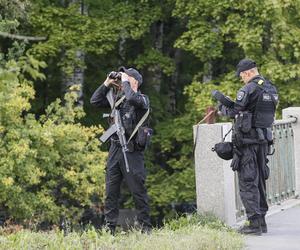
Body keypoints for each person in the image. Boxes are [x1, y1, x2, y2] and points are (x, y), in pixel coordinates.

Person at [218, 59, 278, 235]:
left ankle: (253, 224)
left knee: (248, 182)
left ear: (247, 73)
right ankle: (261, 222)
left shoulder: (249, 89)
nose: (241, 80)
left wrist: (222, 106)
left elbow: (235, 112)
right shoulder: (270, 88)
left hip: (247, 144)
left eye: (241, 76)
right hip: (262, 142)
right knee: (259, 182)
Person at [90, 67, 152, 234]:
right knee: (111, 192)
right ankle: (109, 229)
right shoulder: (117, 99)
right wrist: (107, 83)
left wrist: (125, 81)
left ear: (135, 82)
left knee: (138, 192)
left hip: (132, 152)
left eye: (127, 77)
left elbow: (132, 98)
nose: (122, 79)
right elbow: (95, 101)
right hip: (115, 150)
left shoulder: (142, 99)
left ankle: (146, 228)